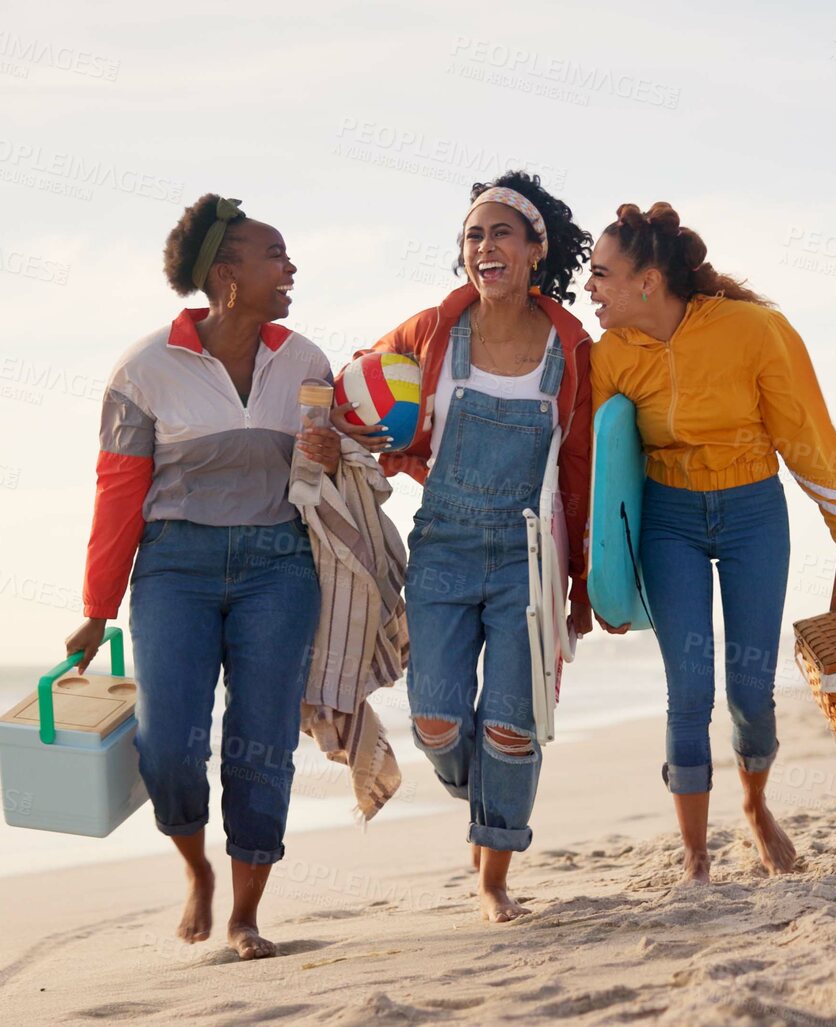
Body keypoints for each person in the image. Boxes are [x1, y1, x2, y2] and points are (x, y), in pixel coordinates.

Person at [63, 194, 340, 961]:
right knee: (169, 747)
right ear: (226, 275)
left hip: (277, 566)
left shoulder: (306, 360)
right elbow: (118, 492)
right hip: (174, 568)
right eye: (274, 256)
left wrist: (330, 453)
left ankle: (247, 913)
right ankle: (196, 866)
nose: (289, 269)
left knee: (262, 744)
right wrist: (96, 606)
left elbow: (323, 473)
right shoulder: (146, 367)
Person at [585, 202, 836, 885]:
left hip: (752, 512)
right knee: (688, 690)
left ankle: (753, 805)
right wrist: (598, 577)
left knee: (750, 688)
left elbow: (801, 427)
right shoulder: (608, 355)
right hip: (668, 519)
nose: (589, 290)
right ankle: (694, 854)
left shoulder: (754, 331)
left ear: (647, 280)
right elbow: (598, 477)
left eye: (601, 275)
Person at [335, 170, 594, 922]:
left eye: (501, 232)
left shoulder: (571, 349)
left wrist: (579, 587)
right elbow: (362, 389)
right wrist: (372, 442)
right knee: (438, 722)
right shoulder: (430, 334)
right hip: (443, 546)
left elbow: (577, 471)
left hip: (528, 554)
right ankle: (488, 800)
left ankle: (493, 878)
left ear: (535, 250)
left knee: (512, 724)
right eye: (473, 235)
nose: (484, 246)